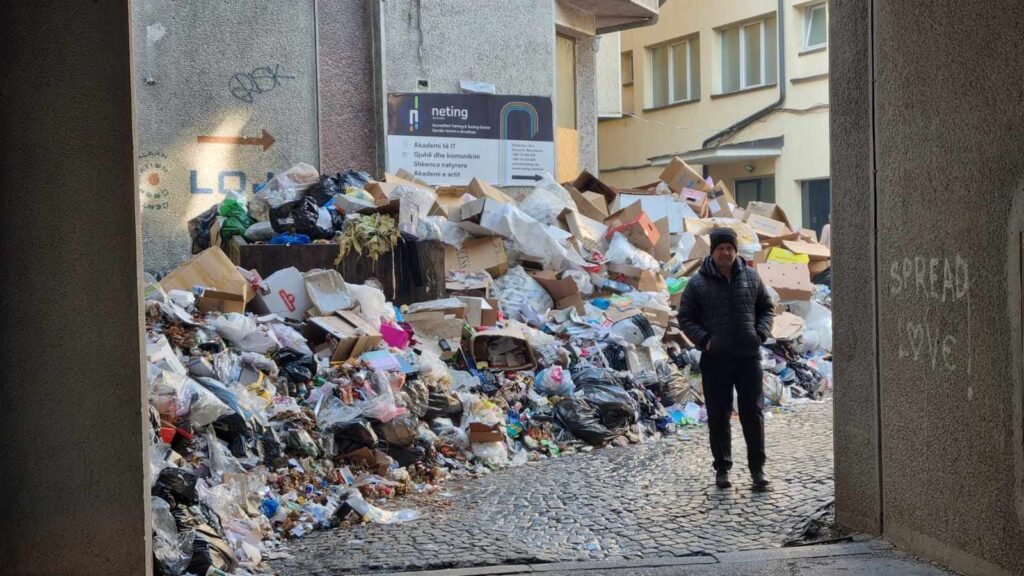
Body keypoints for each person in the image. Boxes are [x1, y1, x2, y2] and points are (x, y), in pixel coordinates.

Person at [678, 228, 774, 491]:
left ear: (736, 250)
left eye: (730, 248)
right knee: (719, 417)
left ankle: (758, 470)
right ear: (713, 251)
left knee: (753, 415)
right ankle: (723, 469)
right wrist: (706, 341)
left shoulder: (751, 277)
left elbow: (767, 309)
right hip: (716, 360)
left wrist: (760, 333)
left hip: (748, 359)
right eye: (721, 248)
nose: (726, 252)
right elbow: (685, 317)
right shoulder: (697, 283)